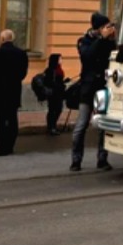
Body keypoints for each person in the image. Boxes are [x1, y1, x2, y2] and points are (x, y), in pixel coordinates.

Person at [71, 12, 115, 172]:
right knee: (81, 125)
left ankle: (102, 159)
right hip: (88, 88)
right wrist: (101, 39)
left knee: (103, 125)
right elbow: (87, 57)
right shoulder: (84, 41)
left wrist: (111, 40)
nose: (108, 29)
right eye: (105, 27)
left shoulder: (109, 42)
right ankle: (76, 160)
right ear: (98, 28)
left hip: (103, 87)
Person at [0, 29, 28, 156]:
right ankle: (11, 145)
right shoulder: (21, 53)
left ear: (2, 39)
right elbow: (23, 72)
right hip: (14, 90)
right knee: (12, 117)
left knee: (0, 119)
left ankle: (2, 146)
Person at [42, 53, 66, 135]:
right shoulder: (50, 70)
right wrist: (59, 85)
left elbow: (59, 81)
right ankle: (51, 127)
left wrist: (64, 82)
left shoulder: (59, 69)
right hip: (53, 94)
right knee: (52, 110)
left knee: (58, 109)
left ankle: (53, 126)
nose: (61, 60)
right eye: (60, 59)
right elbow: (49, 82)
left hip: (59, 93)